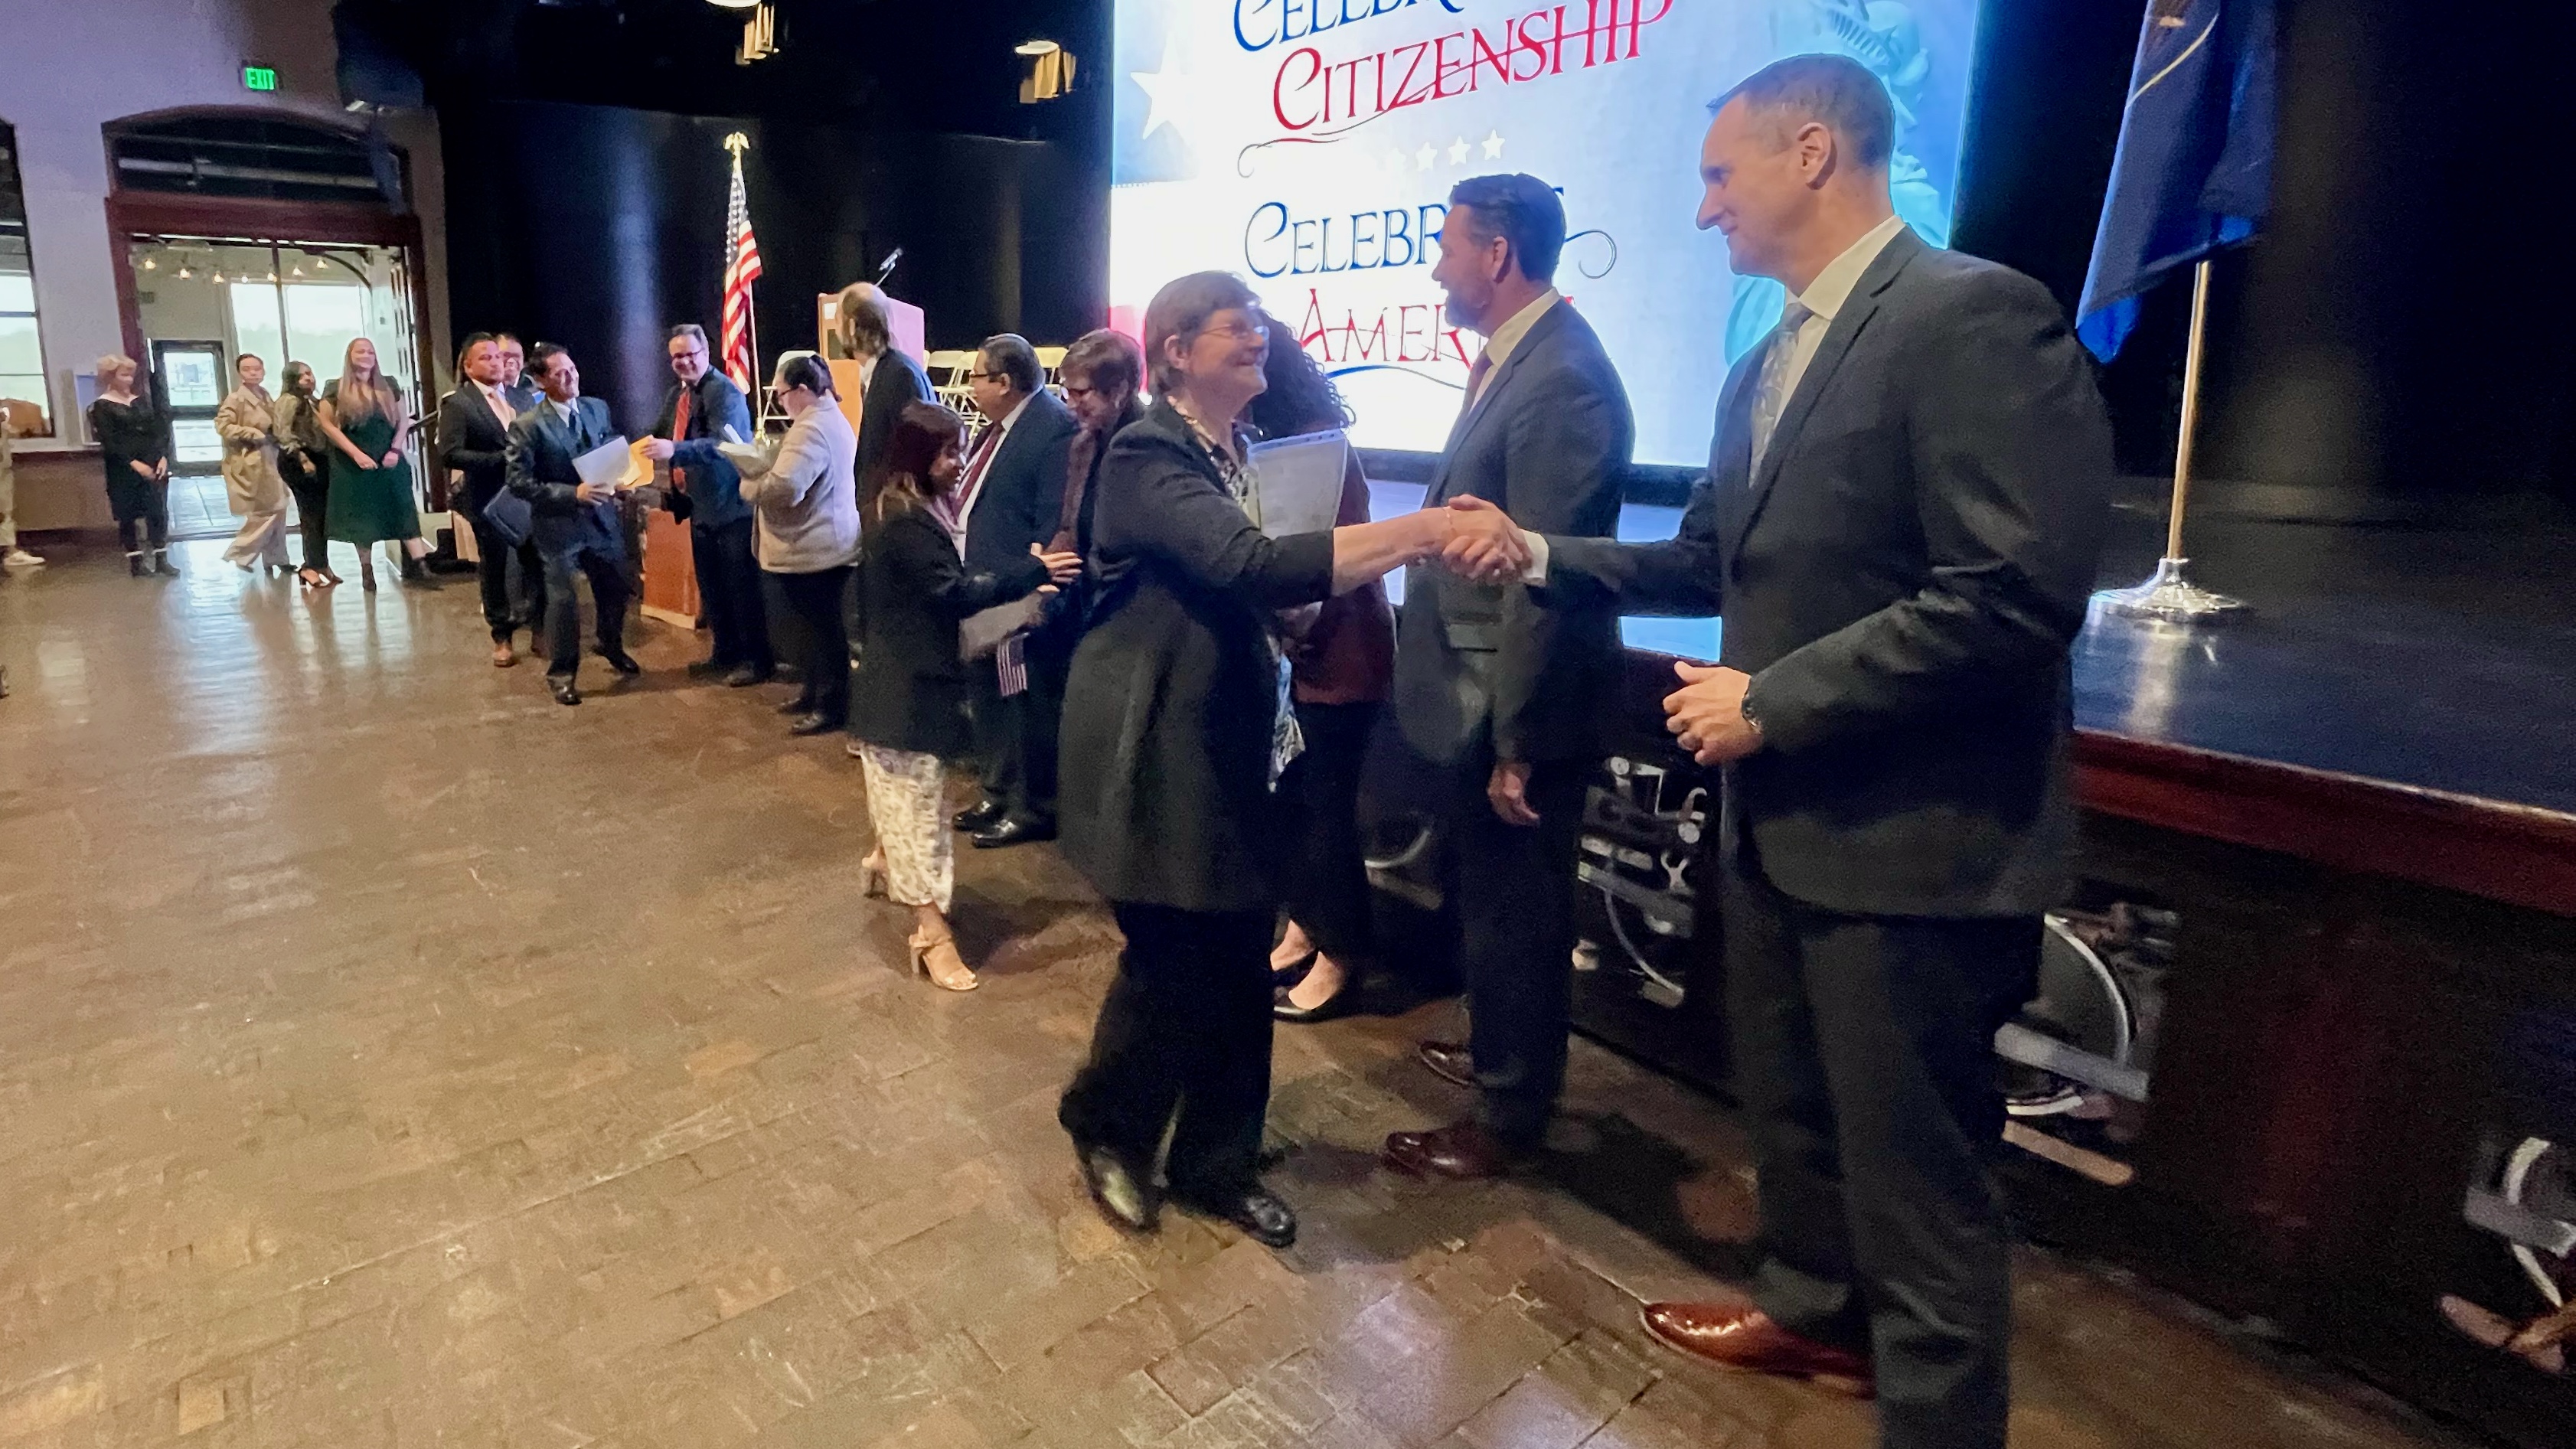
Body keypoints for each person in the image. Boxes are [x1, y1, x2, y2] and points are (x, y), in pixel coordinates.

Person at [1441, 57, 2114, 1449]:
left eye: (1715, 175)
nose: (1700, 213)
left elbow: (2013, 595)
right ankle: (1813, 1314)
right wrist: (1546, 550)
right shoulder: (1769, 354)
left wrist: (1776, 702)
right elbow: (1708, 554)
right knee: (1798, 1123)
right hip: (1783, 829)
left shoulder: (1973, 317)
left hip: (1911, 848)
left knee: (1922, 1193)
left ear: (1812, 153)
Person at [1053, 271, 1528, 1252]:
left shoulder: (1233, 452)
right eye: (1238, 327)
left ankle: (1215, 1162)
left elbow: (1239, 589)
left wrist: (1290, 615)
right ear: (1176, 350)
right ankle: (1109, 1129)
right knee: (1171, 963)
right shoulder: (1148, 452)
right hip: (1157, 755)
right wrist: (1430, 529)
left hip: (1236, 746)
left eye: (1261, 326)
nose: (1258, 338)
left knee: (1235, 964)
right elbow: (1245, 564)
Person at [1379, 173, 1635, 1181]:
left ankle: (1509, 1113)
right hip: (1478, 698)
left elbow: (1547, 572)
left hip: (1515, 711)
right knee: (1492, 908)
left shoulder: (1563, 375)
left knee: (1515, 918)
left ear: (1495, 254)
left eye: (1446, 245)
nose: (1435, 264)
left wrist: (1521, 742)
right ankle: (1501, 1055)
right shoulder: (1516, 360)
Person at [848, 401, 1082, 992]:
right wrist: (1034, 573)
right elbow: (952, 594)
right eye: (949, 452)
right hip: (906, 696)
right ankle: (931, 935)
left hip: (894, 689)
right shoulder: (904, 519)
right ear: (918, 454)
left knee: (902, 799)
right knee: (920, 817)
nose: (959, 462)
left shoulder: (897, 505)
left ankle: (881, 859)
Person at [1245, 312, 1396, 1023]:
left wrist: (1295, 628)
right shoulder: (1268, 444)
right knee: (1296, 805)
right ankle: (1306, 926)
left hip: (1338, 652)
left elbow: (1337, 559)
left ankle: (1342, 957)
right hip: (1296, 652)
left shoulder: (1322, 451)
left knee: (1326, 813)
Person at [949, 334, 1079, 850]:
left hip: (1021, 592)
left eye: (977, 377)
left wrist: (1037, 582)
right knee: (988, 696)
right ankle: (997, 790)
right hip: (986, 587)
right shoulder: (999, 427)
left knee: (1020, 699)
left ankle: (1031, 806)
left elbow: (1056, 512)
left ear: (1004, 382)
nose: (971, 386)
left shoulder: (1051, 428)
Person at [504, 342, 639, 706]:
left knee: (615, 589)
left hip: (602, 520)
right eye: (560, 373)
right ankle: (562, 674)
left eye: (573, 369)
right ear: (541, 380)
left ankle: (611, 645)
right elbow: (519, 482)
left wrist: (623, 475)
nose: (571, 377)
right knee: (563, 601)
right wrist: (571, 493)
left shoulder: (596, 408)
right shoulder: (528, 426)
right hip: (558, 526)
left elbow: (609, 443)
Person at [642, 324, 770, 685]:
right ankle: (724, 652)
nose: (683, 362)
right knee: (713, 588)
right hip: (700, 510)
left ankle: (756, 661)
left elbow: (724, 446)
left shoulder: (725, 393)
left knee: (741, 589)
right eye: (676, 357)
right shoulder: (678, 396)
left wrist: (676, 450)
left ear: (706, 353)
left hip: (731, 508)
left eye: (689, 354)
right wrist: (622, 456)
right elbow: (659, 432)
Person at [739, 354, 860, 736]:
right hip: (822, 544)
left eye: (782, 394)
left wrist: (748, 485)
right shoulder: (824, 419)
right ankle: (814, 693)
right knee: (813, 632)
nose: (780, 402)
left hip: (816, 549)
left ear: (804, 390)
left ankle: (829, 706)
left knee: (821, 634)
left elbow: (787, 488)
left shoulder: (812, 428)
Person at [441, 334, 547, 663]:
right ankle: (502, 636)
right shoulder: (459, 403)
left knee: (538, 564)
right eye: (485, 358)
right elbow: (451, 453)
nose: (495, 362)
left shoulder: (523, 396)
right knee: (496, 568)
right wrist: (502, 459)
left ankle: (540, 629)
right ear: (468, 365)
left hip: (530, 495)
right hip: (489, 499)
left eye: (498, 357)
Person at [318, 338, 428, 592]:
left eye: (370, 351)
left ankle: (422, 565)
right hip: (352, 462)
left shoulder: (388, 384)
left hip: (389, 458)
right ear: (350, 355)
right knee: (363, 518)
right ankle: (367, 571)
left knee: (403, 507)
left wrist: (395, 450)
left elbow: (403, 421)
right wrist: (356, 454)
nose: (366, 355)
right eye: (360, 351)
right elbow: (328, 426)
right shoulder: (334, 388)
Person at [1048, 328, 1148, 574]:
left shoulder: (1152, 446)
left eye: (1080, 393)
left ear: (1119, 391)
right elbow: (1072, 532)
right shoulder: (1084, 444)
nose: (1070, 404)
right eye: (1066, 391)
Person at [835, 282, 935, 517]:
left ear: (851, 326)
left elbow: (916, 455)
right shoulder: (884, 370)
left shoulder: (900, 375)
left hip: (898, 516)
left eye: (838, 320)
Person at [89, 354, 177, 578]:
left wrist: (162, 457)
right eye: (123, 375)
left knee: (157, 511)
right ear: (110, 376)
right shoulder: (102, 406)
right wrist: (134, 463)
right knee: (127, 515)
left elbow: (158, 431)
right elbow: (109, 441)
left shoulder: (142, 401)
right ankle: (136, 563)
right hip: (123, 468)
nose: (129, 379)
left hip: (152, 461)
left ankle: (161, 558)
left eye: (131, 374)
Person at [214, 354, 294, 576]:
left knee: (279, 508)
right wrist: (250, 433)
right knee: (267, 510)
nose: (253, 373)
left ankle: (277, 558)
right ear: (240, 373)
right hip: (252, 458)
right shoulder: (236, 399)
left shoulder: (264, 395)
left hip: (270, 456)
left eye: (257, 369)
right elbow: (223, 425)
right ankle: (240, 552)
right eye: (248, 369)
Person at [273, 362, 337, 587]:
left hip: (316, 458)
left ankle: (320, 563)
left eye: (310, 373)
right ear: (292, 380)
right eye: (302, 376)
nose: (309, 379)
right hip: (299, 460)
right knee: (310, 515)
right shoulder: (289, 400)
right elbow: (282, 432)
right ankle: (310, 566)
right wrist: (303, 458)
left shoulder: (310, 400)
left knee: (320, 516)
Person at [0, 403, 41, 570]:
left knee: (4, 511)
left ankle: (11, 551)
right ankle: (11, 552)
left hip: (2, 470)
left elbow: (18, 430)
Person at [495, 334, 538, 413]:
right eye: (506, 355)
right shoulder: (485, 390)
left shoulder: (535, 391)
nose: (511, 361)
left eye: (516, 356)